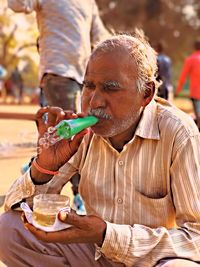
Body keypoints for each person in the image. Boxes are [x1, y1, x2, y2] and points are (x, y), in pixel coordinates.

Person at [0, 30, 200, 267]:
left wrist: (108, 235)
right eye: (89, 86)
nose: (94, 101)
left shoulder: (178, 133)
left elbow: (196, 238)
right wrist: (44, 168)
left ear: (146, 94)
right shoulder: (80, 134)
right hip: (93, 255)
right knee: (8, 231)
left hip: (150, 260)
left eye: (111, 88)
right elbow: (17, 207)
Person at [7, 0, 110, 111]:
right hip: (59, 72)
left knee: (79, 123)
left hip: (83, 76)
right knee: (70, 124)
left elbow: (100, 37)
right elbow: (17, 4)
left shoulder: (88, 3)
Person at [176, 40, 200, 130]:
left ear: (194, 47)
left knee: (198, 113)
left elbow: (183, 76)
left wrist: (178, 90)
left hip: (196, 92)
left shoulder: (191, 59)